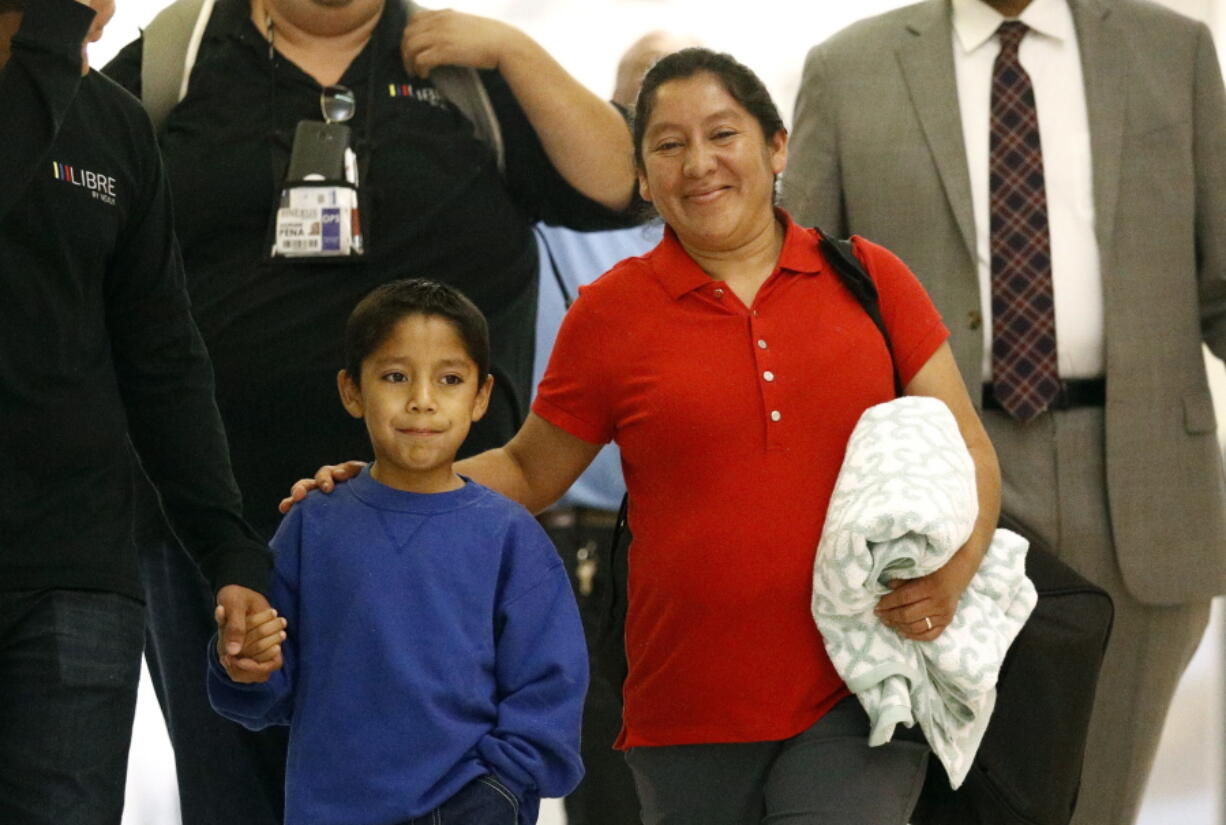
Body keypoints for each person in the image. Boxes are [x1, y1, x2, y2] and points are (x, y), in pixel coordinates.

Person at [286, 48, 1003, 824]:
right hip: (682, 709)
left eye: (722, 133)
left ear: (777, 145)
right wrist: (382, 484)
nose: (698, 163)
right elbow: (530, 468)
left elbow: (969, 447)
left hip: (858, 691)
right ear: (642, 173)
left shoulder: (870, 279)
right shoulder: (612, 313)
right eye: (667, 144)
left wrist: (954, 573)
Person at [101, 1, 637, 820]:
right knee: (232, 793)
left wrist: (517, 51)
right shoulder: (181, 54)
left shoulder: (464, 70)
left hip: (443, 534)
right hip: (208, 531)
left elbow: (621, 186)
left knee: (448, 790)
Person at [782, 1, 1226, 822]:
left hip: (1137, 480)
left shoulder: (1177, 51)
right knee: (948, 795)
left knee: (1098, 798)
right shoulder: (848, 68)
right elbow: (796, 295)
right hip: (933, 480)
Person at [0, 1, 278, 823]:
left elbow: (163, 358)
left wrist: (225, 545)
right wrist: (50, 40)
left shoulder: (114, 128)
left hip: (77, 569)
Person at [209, 278, 588, 825]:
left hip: (473, 809)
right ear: (351, 390)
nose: (422, 399)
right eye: (395, 376)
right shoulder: (311, 523)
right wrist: (243, 661)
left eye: (450, 379)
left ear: (481, 396)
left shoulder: (512, 536)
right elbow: (264, 683)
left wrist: (498, 792)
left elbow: (550, 688)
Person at [532, 28, 696, 825]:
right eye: (636, 108)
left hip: (691, 540)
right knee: (599, 774)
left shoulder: (726, 235)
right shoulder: (554, 219)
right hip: (574, 539)